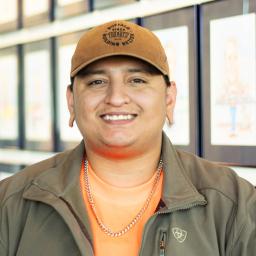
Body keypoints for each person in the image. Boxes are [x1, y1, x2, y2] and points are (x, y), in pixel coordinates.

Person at [0, 20, 255, 256]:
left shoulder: (234, 204)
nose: (116, 97)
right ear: (71, 101)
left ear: (169, 98)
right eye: (97, 82)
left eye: (137, 80)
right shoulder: (11, 202)